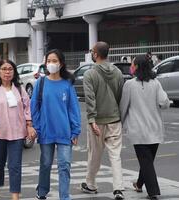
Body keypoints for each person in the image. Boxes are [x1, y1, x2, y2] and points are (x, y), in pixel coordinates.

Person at [31, 49, 81, 200]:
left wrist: (75, 130)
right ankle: (42, 191)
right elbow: (35, 107)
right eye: (49, 61)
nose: (51, 64)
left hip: (64, 132)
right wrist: (38, 127)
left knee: (64, 165)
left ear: (61, 63)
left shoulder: (67, 84)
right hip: (46, 131)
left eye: (54, 61)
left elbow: (74, 109)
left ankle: (64, 196)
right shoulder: (40, 83)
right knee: (46, 163)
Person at [0, 59, 36, 200]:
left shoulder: (19, 89)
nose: (7, 72)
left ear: (14, 72)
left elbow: (27, 108)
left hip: (17, 134)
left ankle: (15, 196)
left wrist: (29, 125)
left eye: (10, 69)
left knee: (15, 166)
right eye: (4, 69)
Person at [120, 55, 170, 200]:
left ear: (137, 67)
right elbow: (164, 103)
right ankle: (140, 184)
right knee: (147, 160)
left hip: (138, 131)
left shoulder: (129, 85)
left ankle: (153, 191)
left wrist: (120, 123)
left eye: (132, 64)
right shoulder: (155, 83)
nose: (131, 67)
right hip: (155, 129)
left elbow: (124, 107)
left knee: (146, 160)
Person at [80, 41, 125, 200]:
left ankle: (91, 184)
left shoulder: (89, 74)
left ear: (96, 54)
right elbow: (120, 96)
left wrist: (91, 120)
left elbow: (90, 99)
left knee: (95, 154)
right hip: (114, 119)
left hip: (97, 120)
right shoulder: (118, 72)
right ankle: (118, 188)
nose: (92, 54)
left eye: (92, 51)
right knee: (115, 155)